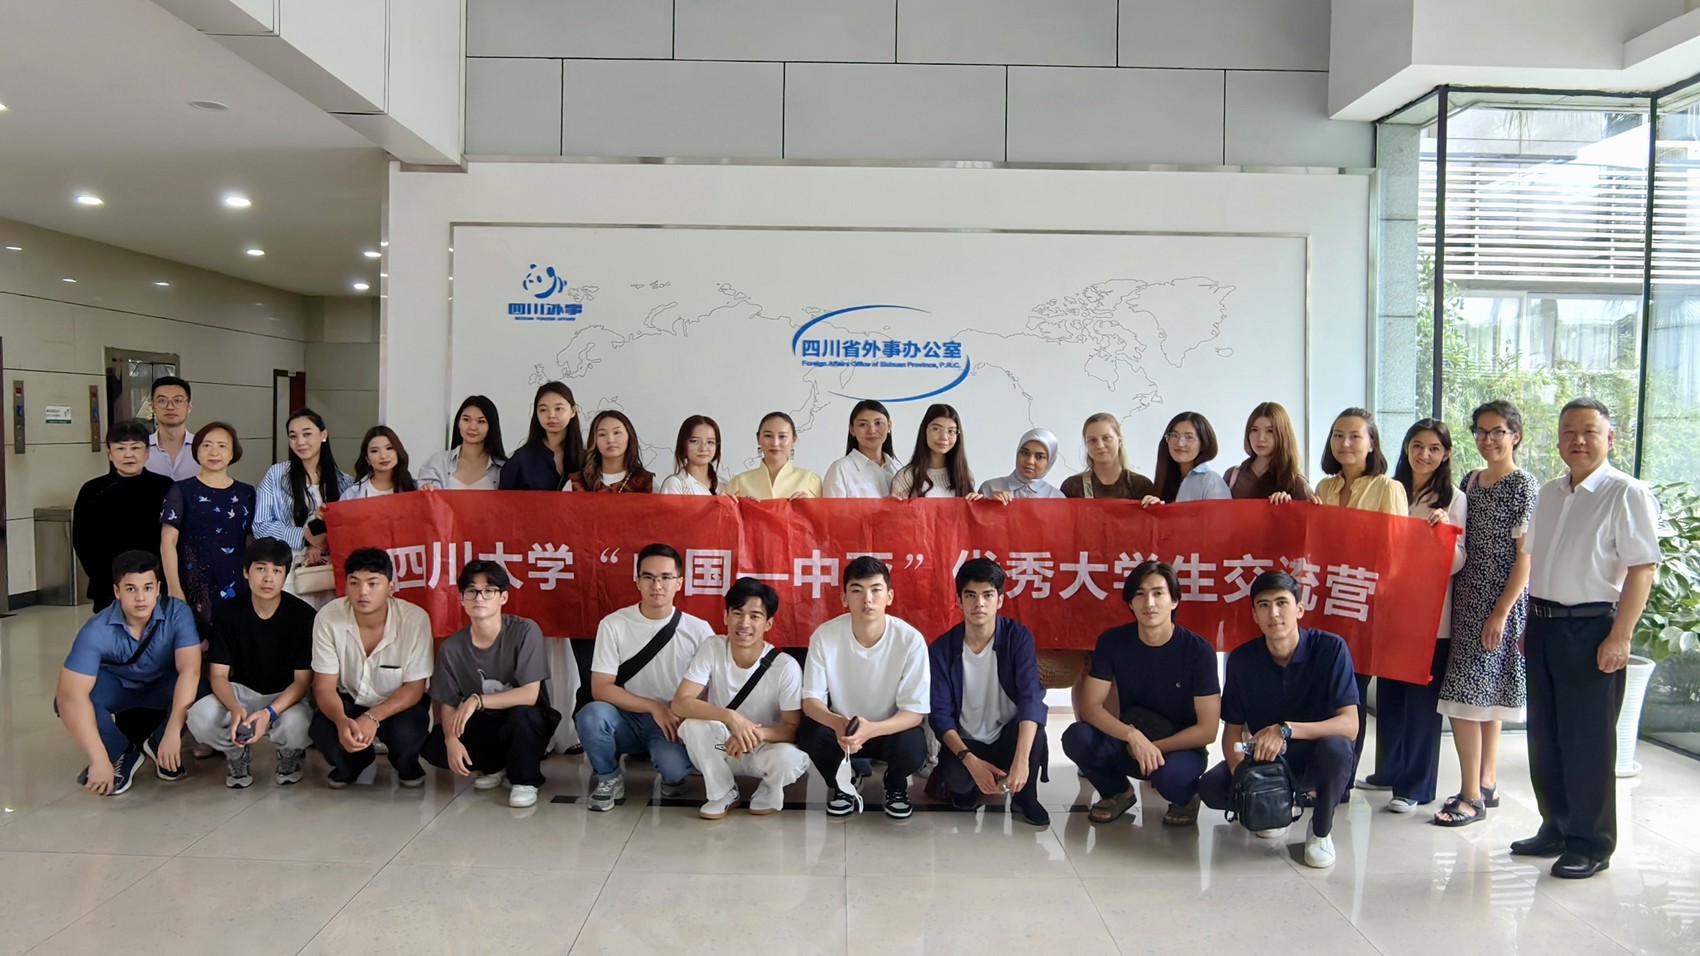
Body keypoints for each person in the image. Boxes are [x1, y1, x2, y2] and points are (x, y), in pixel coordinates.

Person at [1512, 398, 1659, 879]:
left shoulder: (1625, 493)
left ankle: (1591, 843)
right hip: (1543, 623)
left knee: (1587, 742)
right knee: (1546, 735)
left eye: (1589, 431)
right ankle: (1556, 826)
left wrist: (1621, 636)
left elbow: (1642, 569)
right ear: (1558, 440)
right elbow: (1537, 562)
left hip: (1592, 628)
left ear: (1609, 438)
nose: (1577, 440)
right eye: (1568, 431)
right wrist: (1529, 623)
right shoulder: (1550, 492)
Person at [1197, 571, 1359, 868]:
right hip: (1267, 762)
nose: (1273, 613)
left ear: (1299, 609)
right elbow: (1232, 731)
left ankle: (1320, 831)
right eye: (1264, 605)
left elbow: (1350, 725)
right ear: (1254, 615)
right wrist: (1245, 780)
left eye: (1282, 603)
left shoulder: (1330, 649)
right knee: (1212, 787)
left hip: (1316, 757)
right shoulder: (1243, 659)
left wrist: (1285, 730)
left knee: (1337, 748)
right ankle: (1276, 809)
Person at [1432, 401, 1540, 827]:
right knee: (1486, 697)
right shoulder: (1471, 480)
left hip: (1499, 603)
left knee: (1461, 700)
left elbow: (1526, 557)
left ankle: (1470, 796)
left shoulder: (1523, 485)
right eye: (1480, 431)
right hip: (1465, 599)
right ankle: (1487, 782)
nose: (1488, 439)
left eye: (1497, 431)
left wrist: (1501, 612)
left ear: (1516, 435)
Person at [1359, 419, 1467, 814]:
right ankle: (1388, 771)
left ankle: (1416, 786)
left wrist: (1442, 535)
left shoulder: (1453, 498)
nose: (1424, 454)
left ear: (1446, 454)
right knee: (1390, 698)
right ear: (1406, 448)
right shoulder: (1390, 489)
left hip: (1430, 619)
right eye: (1417, 445)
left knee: (1421, 705)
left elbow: (1458, 561)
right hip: (1389, 612)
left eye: (1434, 448)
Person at [1062, 560, 1221, 827]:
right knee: (1077, 737)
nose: (1149, 603)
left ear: (1175, 600)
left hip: (1178, 747)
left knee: (1172, 780)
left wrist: (1154, 747)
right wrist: (1133, 736)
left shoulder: (1199, 651)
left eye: (1158, 593)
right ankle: (1117, 792)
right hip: (1130, 740)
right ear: (1130, 603)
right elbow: (1090, 707)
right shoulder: (1112, 642)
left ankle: (1186, 799)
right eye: (1140, 594)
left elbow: (1208, 730)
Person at [577, 543, 714, 810]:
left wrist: (682, 718)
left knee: (674, 769)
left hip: (672, 721)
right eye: (648, 577)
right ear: (637, 581)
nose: (657, 585)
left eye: (666, 577)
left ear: (679, 582)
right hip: (624, 716)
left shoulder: (699, 630)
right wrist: (653, 707)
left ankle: (674, 775)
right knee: (592, 715)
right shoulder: (614, 624)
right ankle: (608, 777)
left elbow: (708, 690)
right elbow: (601, 688)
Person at [1313, 406, 1408, 785]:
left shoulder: (1388, 488)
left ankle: (1342, 782)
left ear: (1372, 443)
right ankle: (1322, 776)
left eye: (1355, 436)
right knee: (1323, 689)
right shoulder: (1325, 489)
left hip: (1366, 607)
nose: (1345, 443)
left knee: (1350, 693)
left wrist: (1372, 597)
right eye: (1338, 435)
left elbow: (1397, 554)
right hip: (1326, 605)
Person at [55, 550, 202, 794]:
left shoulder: (178, 614)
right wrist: (99, 759)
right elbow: (70, 696)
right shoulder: (97, 630)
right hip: (118, 687)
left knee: (203, 687)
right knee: (71, 699)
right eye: (131, 589)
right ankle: (120, 753)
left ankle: (160, 743)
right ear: (117, 591)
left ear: (158, 588)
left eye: (147, 588)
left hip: (163, 685)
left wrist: (173, 732)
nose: (140, 598)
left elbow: (190, 671)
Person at [797, 556, 930, 819]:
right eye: (857, 591)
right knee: (810, 733)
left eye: (875, 590)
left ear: (889, 596)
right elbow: (811, 701)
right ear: (844, 598)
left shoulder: (910, 640)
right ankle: (845, 783)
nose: (867, 600)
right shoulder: (825, 636)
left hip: (888, 729)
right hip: (843, 731)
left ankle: (895, 784)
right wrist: (838, 723)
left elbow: (915, 712)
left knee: (914, 744)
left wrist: (873, 729)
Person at [421, 561, 560, 809]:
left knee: (522, 717)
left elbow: (530, 695)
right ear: (461, 598)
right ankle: (495, 766)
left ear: (503, 597)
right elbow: (448, 703)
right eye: (471, 591)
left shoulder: (524, 631)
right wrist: (451, 739)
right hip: (487, 721)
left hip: (526, 717)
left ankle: (524, 780)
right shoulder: (452, 648)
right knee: (436, 746)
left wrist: (476, 700)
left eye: (488, 591)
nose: (479, 598)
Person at [672, 577, 811, 819]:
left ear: (768, 624)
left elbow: (791, 730)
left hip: (764, 748)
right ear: (726, 616)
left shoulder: (785, 666)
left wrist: (753, 734)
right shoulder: (713, 647)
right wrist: (730, 717)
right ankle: (723, 792)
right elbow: (680, 703)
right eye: (737, 613)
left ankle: (769, 790)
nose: (744, 623)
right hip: (723, 746)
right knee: (692, 726)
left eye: (755, 616)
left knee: (791, 759)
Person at [185, 538, 316, 788]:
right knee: (199, 717)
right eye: (261, 569)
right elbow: (218, 675)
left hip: (286, 696)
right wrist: (234, 708)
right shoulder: (228, 613)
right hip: (241, 693)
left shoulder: (303, 616)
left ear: (285, 576)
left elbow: (302, 682)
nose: (268, 578)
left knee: (300, 725)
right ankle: (236, 752)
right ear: (246, 572)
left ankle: (289, 753)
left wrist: (269, 713)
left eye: (276, 571)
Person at [927, 558, 1049, 826]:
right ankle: (976, 784)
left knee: (1035, 730)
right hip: (966, 742)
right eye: (970, 595)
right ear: (959, 601)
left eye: (987, 595)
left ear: (1000, 600)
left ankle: (1026, 798)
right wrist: (970, 761)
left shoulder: (1017, 638)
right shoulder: (942, 649)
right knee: (961, 795)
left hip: (1007, 735)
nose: (979, 604)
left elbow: (1031, 698)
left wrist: (1022, 761)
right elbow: (940, 716)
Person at [308, 548, 434, 788]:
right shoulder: (328, 617)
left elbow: (415, 688)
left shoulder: (415, 619)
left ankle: (406, 764)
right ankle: (353, 763)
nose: (362, 592)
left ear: (390, 588)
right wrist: (341, 721)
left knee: (407, 733)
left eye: (373, 583)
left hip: (397, 703)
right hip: (350, 698)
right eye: (354, 583)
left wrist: (373, 717)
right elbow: (324, 687)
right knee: (323, 730)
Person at [161, 422, 256, 625]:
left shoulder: (247, 493)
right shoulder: (181, 490)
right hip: (194, 583)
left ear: (233, 452)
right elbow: (168, 542)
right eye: (206, 445)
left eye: (222, 446)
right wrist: (173, 587)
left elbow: (251, 540)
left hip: (238, 582)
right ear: (196, 450)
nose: (214, 452)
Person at [73, 419, 173, 611]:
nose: (128, 455)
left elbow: (172, 537)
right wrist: (110, 578)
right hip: (108, 585)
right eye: (120, 449)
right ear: (110, 454)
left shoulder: (165, 487)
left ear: (147, 452)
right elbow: (82, 540)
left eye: (135, 448)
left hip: (156, 583)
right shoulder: (93, 490)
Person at [254, 408, 354, 570]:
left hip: (331, 568)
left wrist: (322, 544)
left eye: (307, 434)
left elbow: (352, 530)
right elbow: (260, 525)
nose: (300, 442)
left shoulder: (345, 482)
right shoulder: (276, 474)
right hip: (286, 567)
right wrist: (304, 536)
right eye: (293, 436)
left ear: (323, 435)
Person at [498, 381, 586, 491]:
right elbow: (503, 499)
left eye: (558, 409)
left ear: (573, 411)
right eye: (543, 410)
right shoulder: (521, 460)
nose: (551, 415)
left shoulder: (586, 460)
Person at [1223, 402, 1315, 503]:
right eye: (1255, 430)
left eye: (1270, 431)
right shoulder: (1233, 476)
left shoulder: (1295, 481)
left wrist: (1289, 505)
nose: (1261, 438)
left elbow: (1313, 511)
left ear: (1283, 435)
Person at [889, 403, 982, 500]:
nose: (944, 437)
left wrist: (977, 503)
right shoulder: (906, 477)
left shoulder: (965, 476)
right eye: (936, 429)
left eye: (951, 431)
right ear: (925, 431)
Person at [1060, 412, 1157, 500]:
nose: (1100, 445)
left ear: (1119, 441)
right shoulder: (1072, 487)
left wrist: (1156, 506)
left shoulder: (1141, 485)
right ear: (1086, 444)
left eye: (1106, 438)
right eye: (1092, 440)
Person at [417, 395, 506, 490]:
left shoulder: (503, 467)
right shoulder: (438, 462)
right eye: (466, 419)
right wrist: (425, 489)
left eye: (481, 421)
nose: (472, 427)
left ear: (491, 426)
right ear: (458, 423)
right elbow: (425, 495)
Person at [726, 411, 822, 499]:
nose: (775, 443)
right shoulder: (738, 483)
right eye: (768, 436)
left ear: (793, 440)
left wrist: (809, 505)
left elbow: (822, 512)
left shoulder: (810, 481)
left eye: (782, 436)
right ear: (758, 439)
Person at [1144, 411, 1231, 505]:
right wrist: (1155, 508)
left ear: (1203, 443)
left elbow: (1221, 514)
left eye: (1189, 437)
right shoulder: (1165, 480)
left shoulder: (1212, 482)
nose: (1179, 443)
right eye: (1174, 435)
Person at [822, 400, 902, 498]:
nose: (872, 430)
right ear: (852, 429)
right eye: (863, 424)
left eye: (878, 423)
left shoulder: (899, 470)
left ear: (889, 426)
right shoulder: (840, 469)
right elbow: (832, 508)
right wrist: (882, 506)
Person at [571, 410, 653, 493]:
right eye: (602, 434)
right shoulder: (575, 483)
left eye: (617, 432)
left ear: (629, 436)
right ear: (594, 441)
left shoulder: (648, 483)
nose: (610, 440)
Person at [978, 428, 1064, 501]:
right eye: (1025, 453)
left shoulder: (1057, 498)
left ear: (1050, 461)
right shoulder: (990, 488)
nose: (1030, 461)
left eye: (1039, 457)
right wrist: (989, 504)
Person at [145, 375, 198, 481]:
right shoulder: (141, 448)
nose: (170, 407)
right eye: (162, 401)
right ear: (152, 407)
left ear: (189, 406)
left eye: (178, 400)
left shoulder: (202, 447)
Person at [346, 425, 418, 498]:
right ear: (367, 458)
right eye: (374, 451)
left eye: (389, 448)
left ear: (398, 452)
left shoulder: (416, 488)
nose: (383, 456)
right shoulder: (351, 494)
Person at [658, 415, 722, 495]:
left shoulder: (723, 486)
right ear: (683, 444)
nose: (703, 448)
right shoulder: (675, 484)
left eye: (710, 442)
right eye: (695, 441)